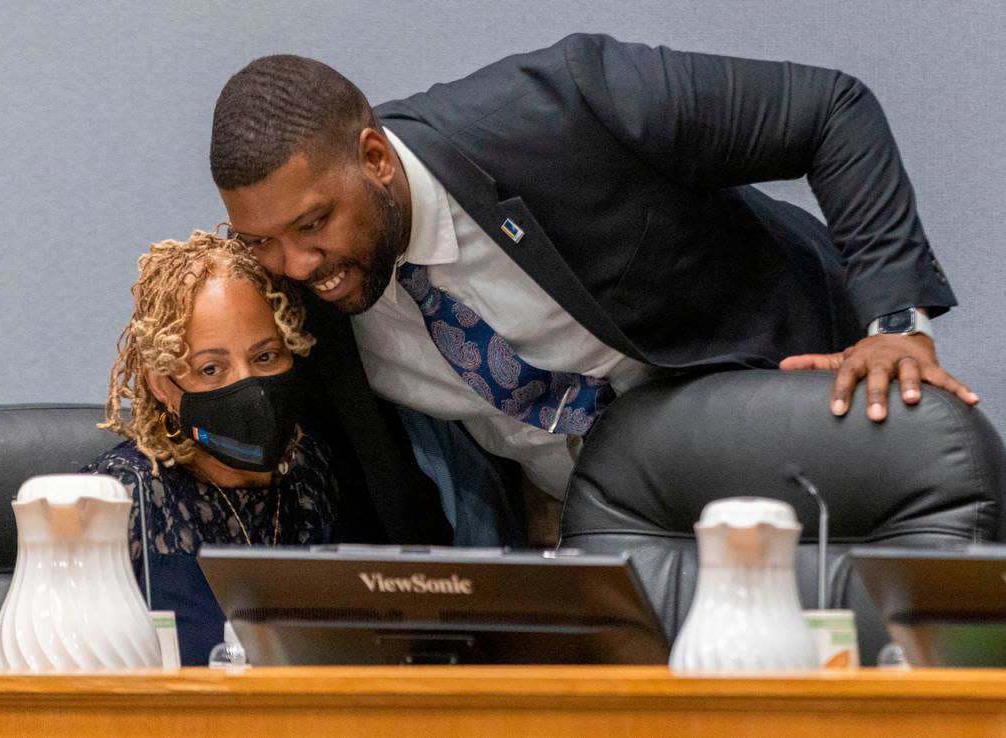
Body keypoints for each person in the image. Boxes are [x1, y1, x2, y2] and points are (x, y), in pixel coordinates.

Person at [206, 34, 978, 546]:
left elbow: (829, 110)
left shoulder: (565, 107)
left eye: (314, 224)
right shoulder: (294, 285)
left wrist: (894, 321)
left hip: (791, 427)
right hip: (603, 531)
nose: (297, 263)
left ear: (375, 156)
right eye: (261, 240)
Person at [83, 228, 337, 665]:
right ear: (164, 385)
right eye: (212, 368)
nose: (248, 386)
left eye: (265, 357)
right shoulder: (122, 498)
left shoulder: (310, 474)